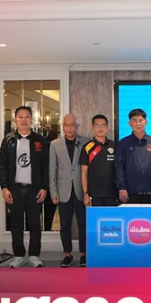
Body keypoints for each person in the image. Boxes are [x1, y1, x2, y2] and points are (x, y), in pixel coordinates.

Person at [0, 105, 49, 268]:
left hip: (35, 189)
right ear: (15, 120)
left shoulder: (40, 141)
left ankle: (34, 255)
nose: (24, 120)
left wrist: (44, 187)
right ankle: (18, 255)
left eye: (27, 116)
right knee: (16, 224)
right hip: (15, 189)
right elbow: (2, 166)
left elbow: (45, 167)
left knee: (35, 223)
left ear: (31, 119)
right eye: (20, 117)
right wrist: (4, 188)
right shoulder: (8, 140)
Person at [49, 113, 89, 267]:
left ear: (77, 126)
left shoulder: (86, 142)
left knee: (83, 224)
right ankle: (67, 254)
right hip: (63, 190)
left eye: (72, 125)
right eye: (66, 125)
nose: (69, 128)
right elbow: (52, 170)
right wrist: (53, 192)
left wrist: (88, 191)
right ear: (63, 126)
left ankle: (84, 254)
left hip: (81, 190)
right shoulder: (55, 144)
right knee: (65, 225)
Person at [115, 109, 151, 204]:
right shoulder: (123, 143)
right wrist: (122, 188)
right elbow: (119, 167)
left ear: (146, 122)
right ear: (130, 123)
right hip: (129, 193)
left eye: (140, 120)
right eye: (134, 120)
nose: (138, 123)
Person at [81, 114, 118, 209]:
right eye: (97, 125)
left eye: (103, 125)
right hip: (94, 195)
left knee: (111, 218)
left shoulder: (115, 145)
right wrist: (85, 193)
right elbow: (84, 172)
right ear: (93, 128)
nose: (100, 128)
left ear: (107, 128)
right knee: (96, 219)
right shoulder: (87, 147)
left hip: (112, 193)